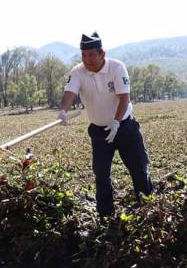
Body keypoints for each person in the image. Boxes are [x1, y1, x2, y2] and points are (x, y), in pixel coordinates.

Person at [58, 32, 153, 217]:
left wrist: (116, 123)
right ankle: (105, 215)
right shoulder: (78, 71)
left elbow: (124, 97)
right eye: (84, 55)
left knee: (139, 168)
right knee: (101, 174)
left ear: (103, 54)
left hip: (125, 127)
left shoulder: (117, 68)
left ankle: (147, 209)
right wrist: (63, 110)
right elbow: (69, 93)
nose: (87, 60)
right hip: (99, 132)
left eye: (92, 54)